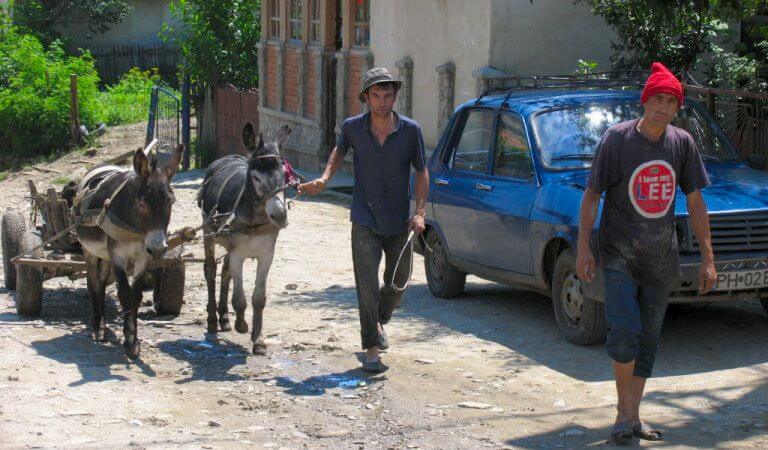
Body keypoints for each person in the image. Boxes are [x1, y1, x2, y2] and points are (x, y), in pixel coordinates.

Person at [576, 62, 717, 444]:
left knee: (649, 340)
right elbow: (592, 194)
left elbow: (696, 200)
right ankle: (623, 415)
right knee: (625, 331)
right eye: (656, 98)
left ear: (676, 109)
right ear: (645, 101)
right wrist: (583, 248)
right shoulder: (617, 140)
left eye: (670, 101)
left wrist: (707, 257)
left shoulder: (681, 143)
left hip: (660, 258)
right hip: (619, 252)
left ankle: (633, 417)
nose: (661, 106)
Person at [299, 67, 429, 373]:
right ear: (366, 98)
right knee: (366, 285)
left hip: (399, 220)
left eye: (388, 95)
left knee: (397, 284)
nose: (383, 102)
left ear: (395, 96)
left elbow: (422, 171)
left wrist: (420, 212)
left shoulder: (411, 131)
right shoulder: (353, 127)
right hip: (365, 217)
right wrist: (324, 178)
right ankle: (371, 348)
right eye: (376, 96)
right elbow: (337, 153)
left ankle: (378, 322)